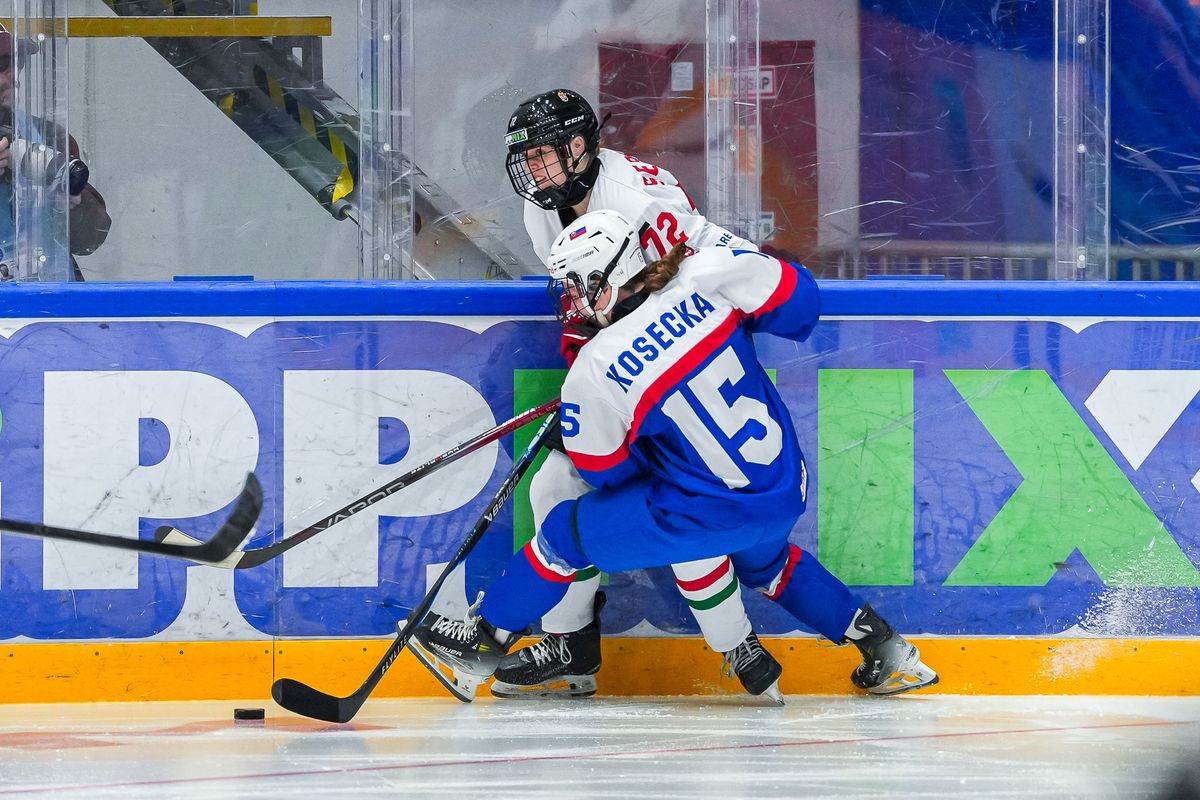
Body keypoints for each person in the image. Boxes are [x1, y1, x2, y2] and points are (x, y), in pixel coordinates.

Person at [410, 209, 940, 701]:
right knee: (772, 565)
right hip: (781, 490)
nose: (570, 298)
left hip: (704, 515)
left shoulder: (594, 369)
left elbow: (606, 472)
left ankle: (484, 641)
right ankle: (889, 649)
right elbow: (802, 306)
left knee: (565, 533)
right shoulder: (706, 273)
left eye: (576, 283)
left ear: (608, 278)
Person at [488, 88, 778, 702]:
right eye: (528, 161)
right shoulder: (544, 207)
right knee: (553, 486)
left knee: (678, 506)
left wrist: (610, 369)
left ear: (579, 147)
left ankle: (737, 643)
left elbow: (679, 290)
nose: (534, 173)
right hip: (624, 373)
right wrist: (592, 365)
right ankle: (570, 645)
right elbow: (584, 300)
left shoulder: (641, 199)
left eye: (544, 157)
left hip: (682, 373)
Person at [0, 28, 110, 281]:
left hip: (50, 306)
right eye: (1, 63)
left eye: (17, 62)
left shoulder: (47, 136)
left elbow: (91, 239)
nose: (13, 74)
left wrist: (73, 205)